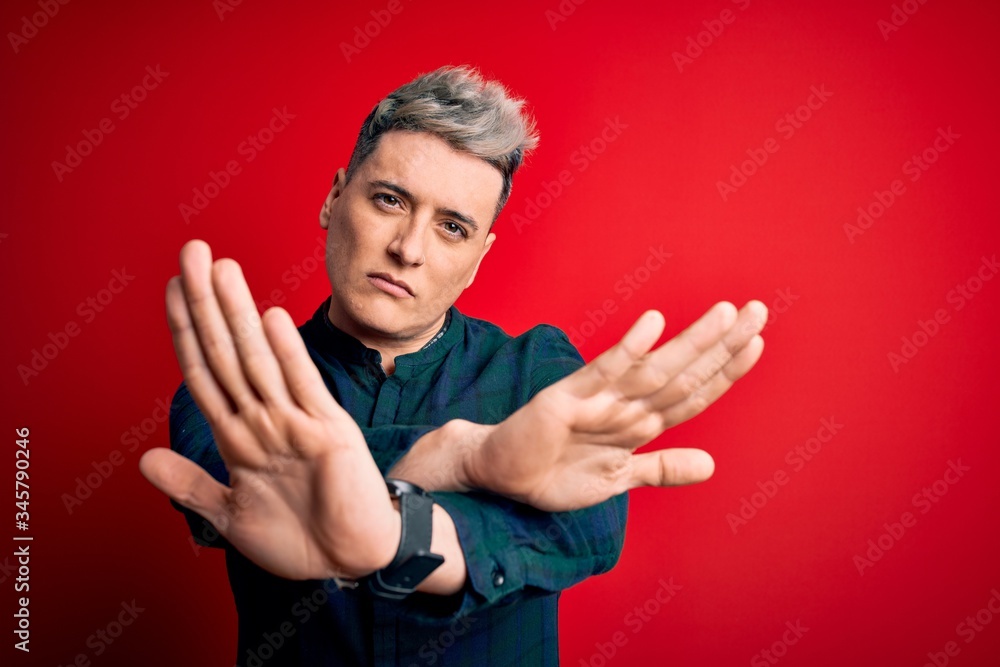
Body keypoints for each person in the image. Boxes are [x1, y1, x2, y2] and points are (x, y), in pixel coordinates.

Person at [139, 65, 768, 666]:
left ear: (480, 256)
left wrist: (399, 535)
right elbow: (236, 481)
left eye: (452, 228)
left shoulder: (537, 369)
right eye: (388, 200)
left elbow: (587, 534)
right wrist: (463, 461)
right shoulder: (238, 381)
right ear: (335, 198)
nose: (408, 249)